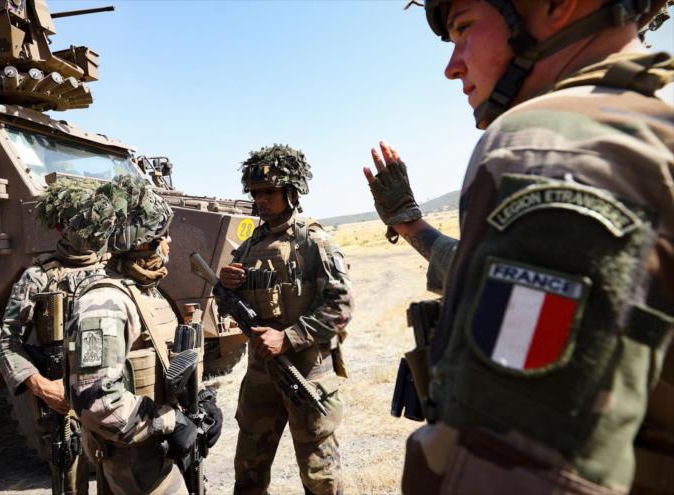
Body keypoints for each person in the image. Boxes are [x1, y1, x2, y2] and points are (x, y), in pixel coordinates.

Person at [363, 1, 673, 493]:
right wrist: (413, 226)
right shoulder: (652, 120)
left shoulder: (555, 142)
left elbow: (509, 472)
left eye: (465, 27)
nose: (452, 65)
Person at [65, 175, 222, 495]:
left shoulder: (146, 292)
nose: (169, 243)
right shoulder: (104, 303)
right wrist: (170, 422)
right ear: (141, 240)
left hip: (156, 454)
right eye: (163, 235)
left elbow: (164, 362)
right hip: (133, 464)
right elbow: (96, 402)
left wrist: (202, 399)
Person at [219, 144, 353, 495]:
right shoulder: (249, 246)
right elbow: (228, 305)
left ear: (292, 192)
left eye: (269, 192)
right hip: (261, 377)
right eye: (256, 193)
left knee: (320, 477)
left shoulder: (315, 242)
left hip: (305, 374)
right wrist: (226, 285)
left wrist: (289, 337)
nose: (261, 200)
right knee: (248, 471)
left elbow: (340, 307)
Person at [0, 178, 100, 495]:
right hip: (61, 405)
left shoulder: (120, 272)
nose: (88, 229)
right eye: (77, 220)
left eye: (95, 219)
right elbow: (7, 343)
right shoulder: (37, 277)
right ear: (58, 225)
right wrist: (41, 386)